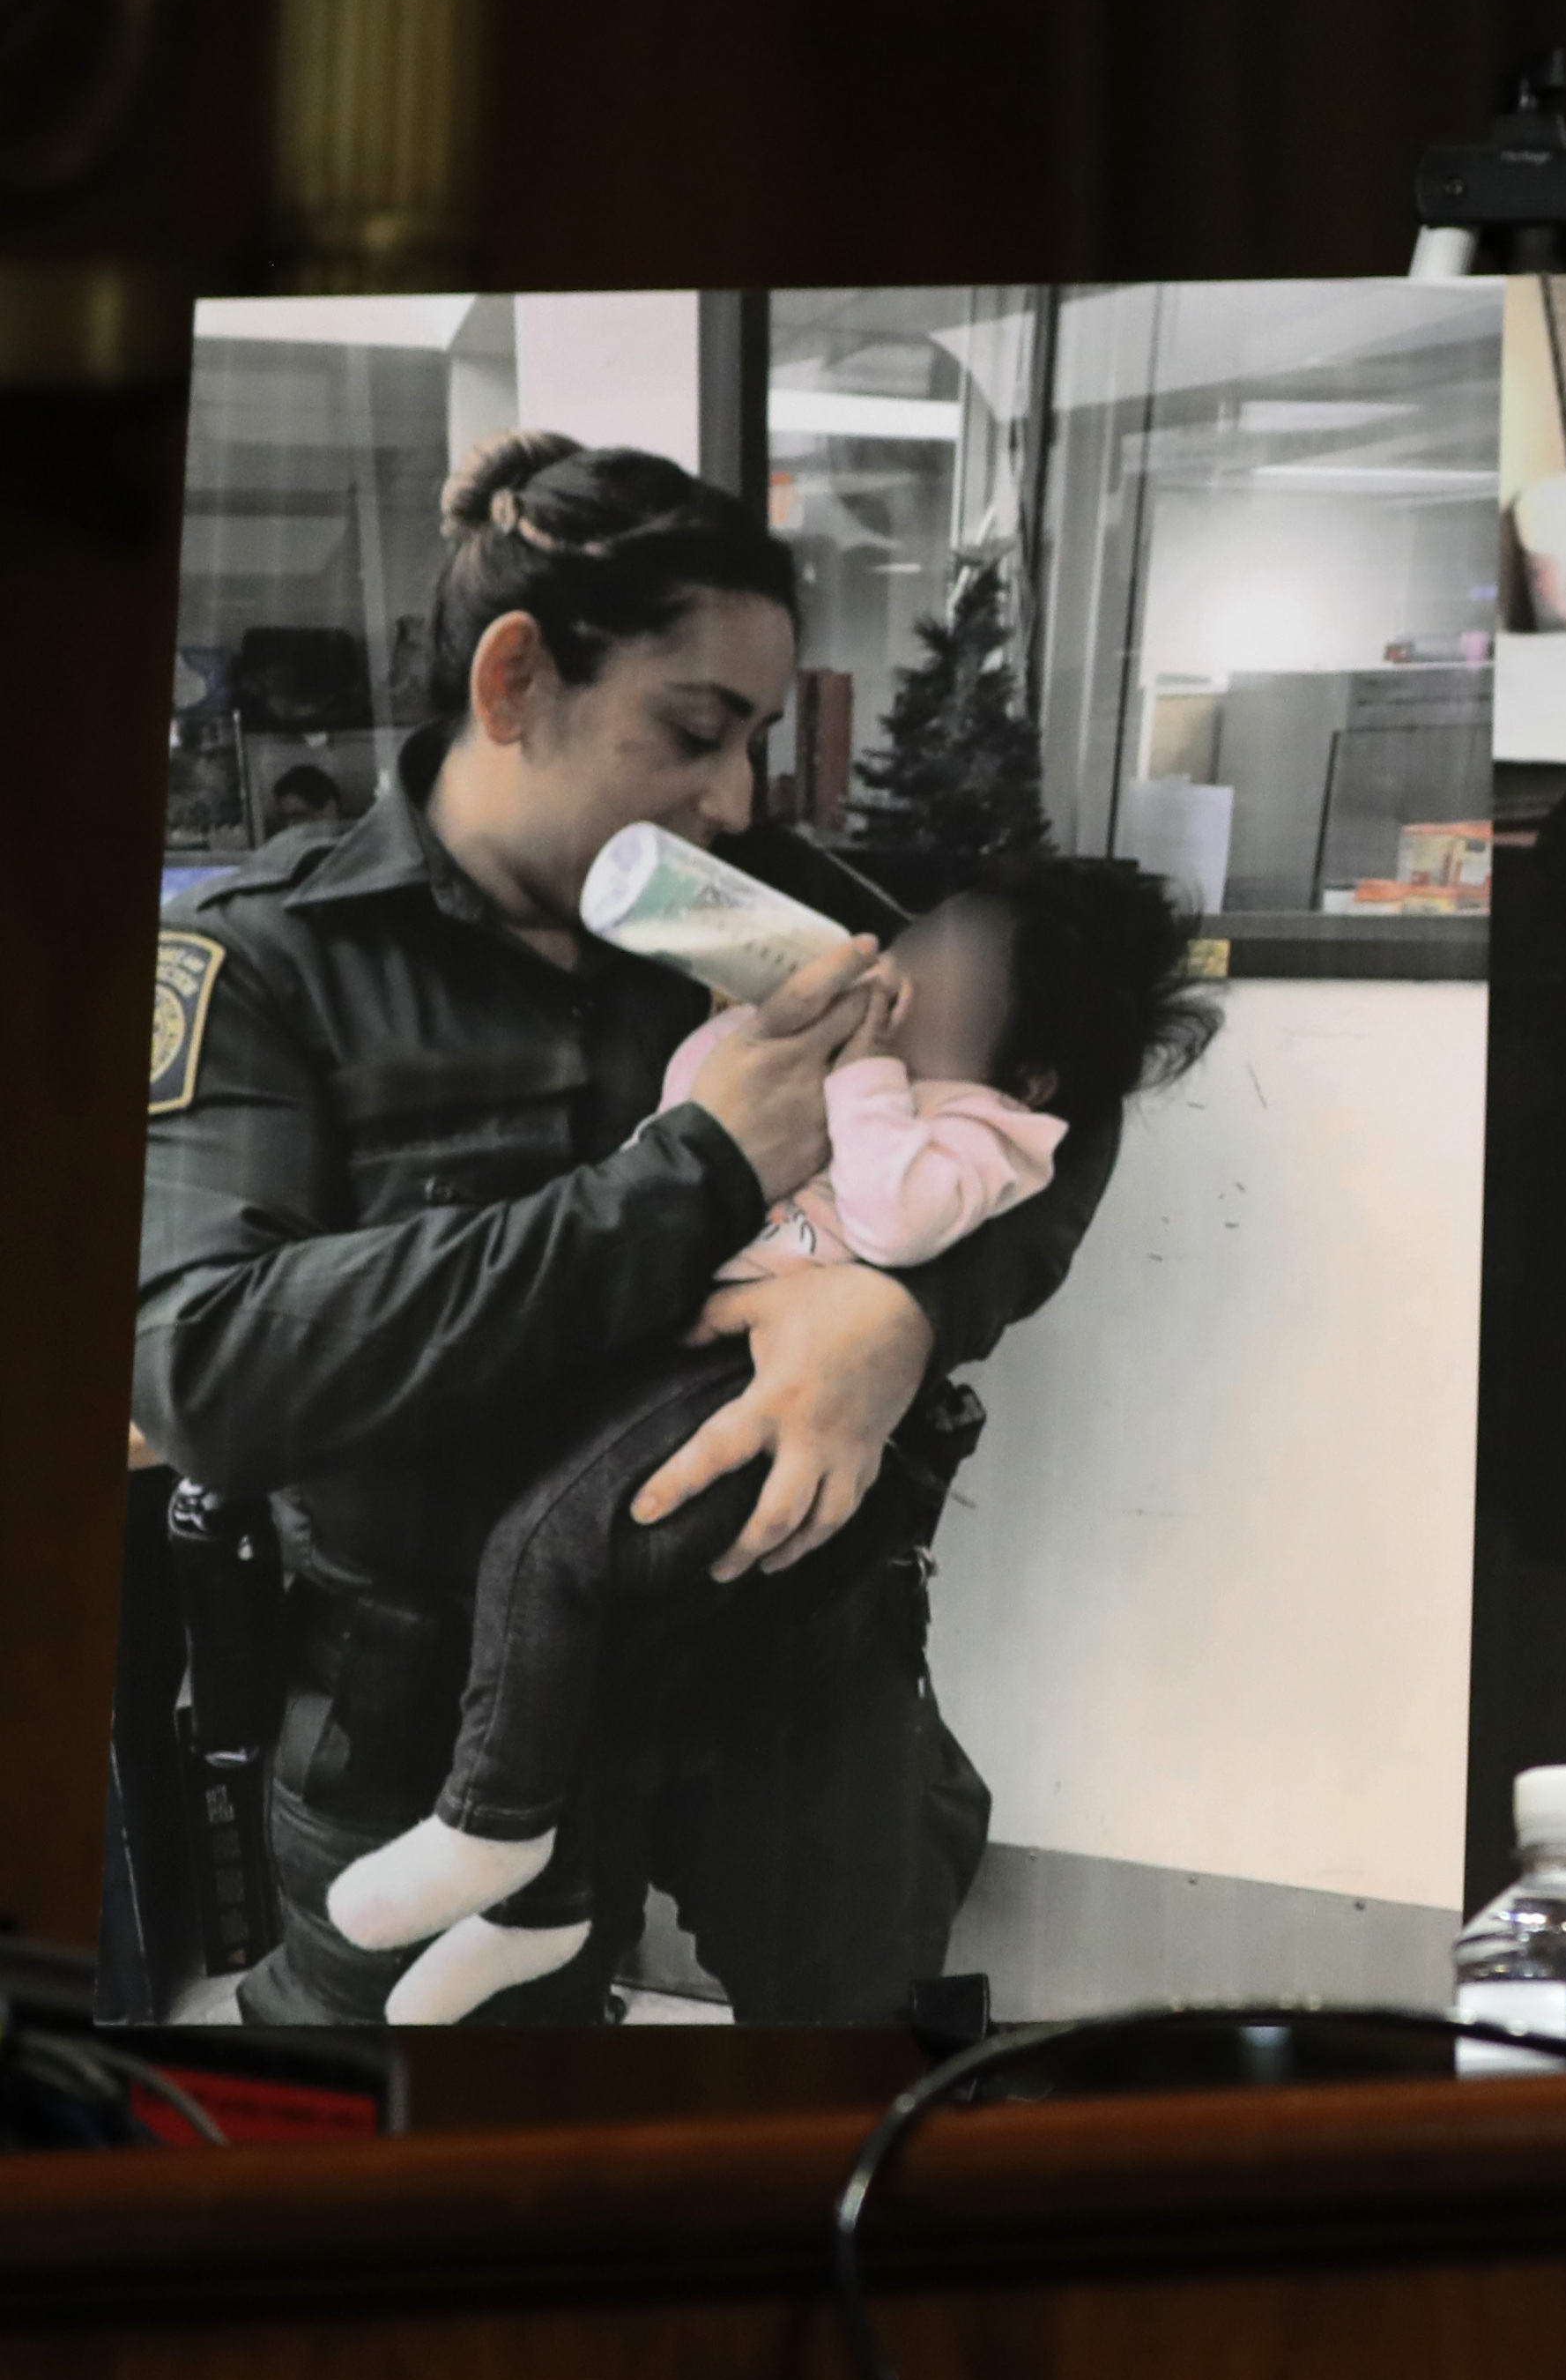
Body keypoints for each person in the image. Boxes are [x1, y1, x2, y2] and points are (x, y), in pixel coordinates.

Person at [136, 429, 1115, 2026]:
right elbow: (212, 1368)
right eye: (695, 731)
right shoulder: (271, 962)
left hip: (789, 1647)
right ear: (516, 681)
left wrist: (908, 1317)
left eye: (755, 741)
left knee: (853, 2062)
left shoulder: (765, 908)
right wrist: (700, 1174)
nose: (734, 797)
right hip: (438, 1698)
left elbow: (1069, 1077)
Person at [321, 860, 1216, 2022]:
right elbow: (693, 1124)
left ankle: (492, 1839)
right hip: (435, 1567)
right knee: (563, 1636)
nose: (901, 960)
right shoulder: (341, 945)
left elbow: (971, 1185)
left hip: (751, 1458)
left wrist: (903, 1314)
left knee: (832, 1963)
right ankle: (534, 1900)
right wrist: (754, 1037)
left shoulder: (972, 1101)